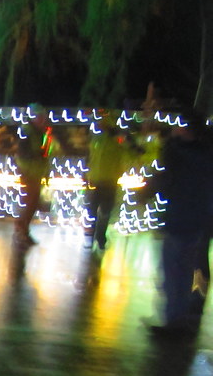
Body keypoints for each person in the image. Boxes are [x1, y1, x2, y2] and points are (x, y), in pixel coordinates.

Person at [146, 107, 213, 337]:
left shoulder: (179, 153)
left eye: (178, 125)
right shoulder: (205, 153)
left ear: (186, 129)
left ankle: (173, 320)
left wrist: (170, 145)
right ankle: (180, 317)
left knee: (173, 270)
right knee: (184, 271)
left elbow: (166, 181)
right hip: (197, 220)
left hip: (181, 218)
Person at [84, 110, 140, 251]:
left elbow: (134, 151)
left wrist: (127, 141)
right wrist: (86, 174)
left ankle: (99, 237)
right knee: (92, 211)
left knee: (104, 211)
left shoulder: (117, 140)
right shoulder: (98, 139)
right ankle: (93, 237)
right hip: (96, 181)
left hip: (108, 180)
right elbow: (90, 157)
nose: (100, 124)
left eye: (103, 122)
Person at [13, 103, 63, 247]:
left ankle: (22, 230)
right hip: (29, 171)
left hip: (36, 171)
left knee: (33, 202)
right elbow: (24, 152)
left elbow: (46, 152)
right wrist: (38, 155)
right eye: (40, 117)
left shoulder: (41, 132)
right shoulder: (28, 131)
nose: (43, 119)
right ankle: (21, 230)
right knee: (30, 202)